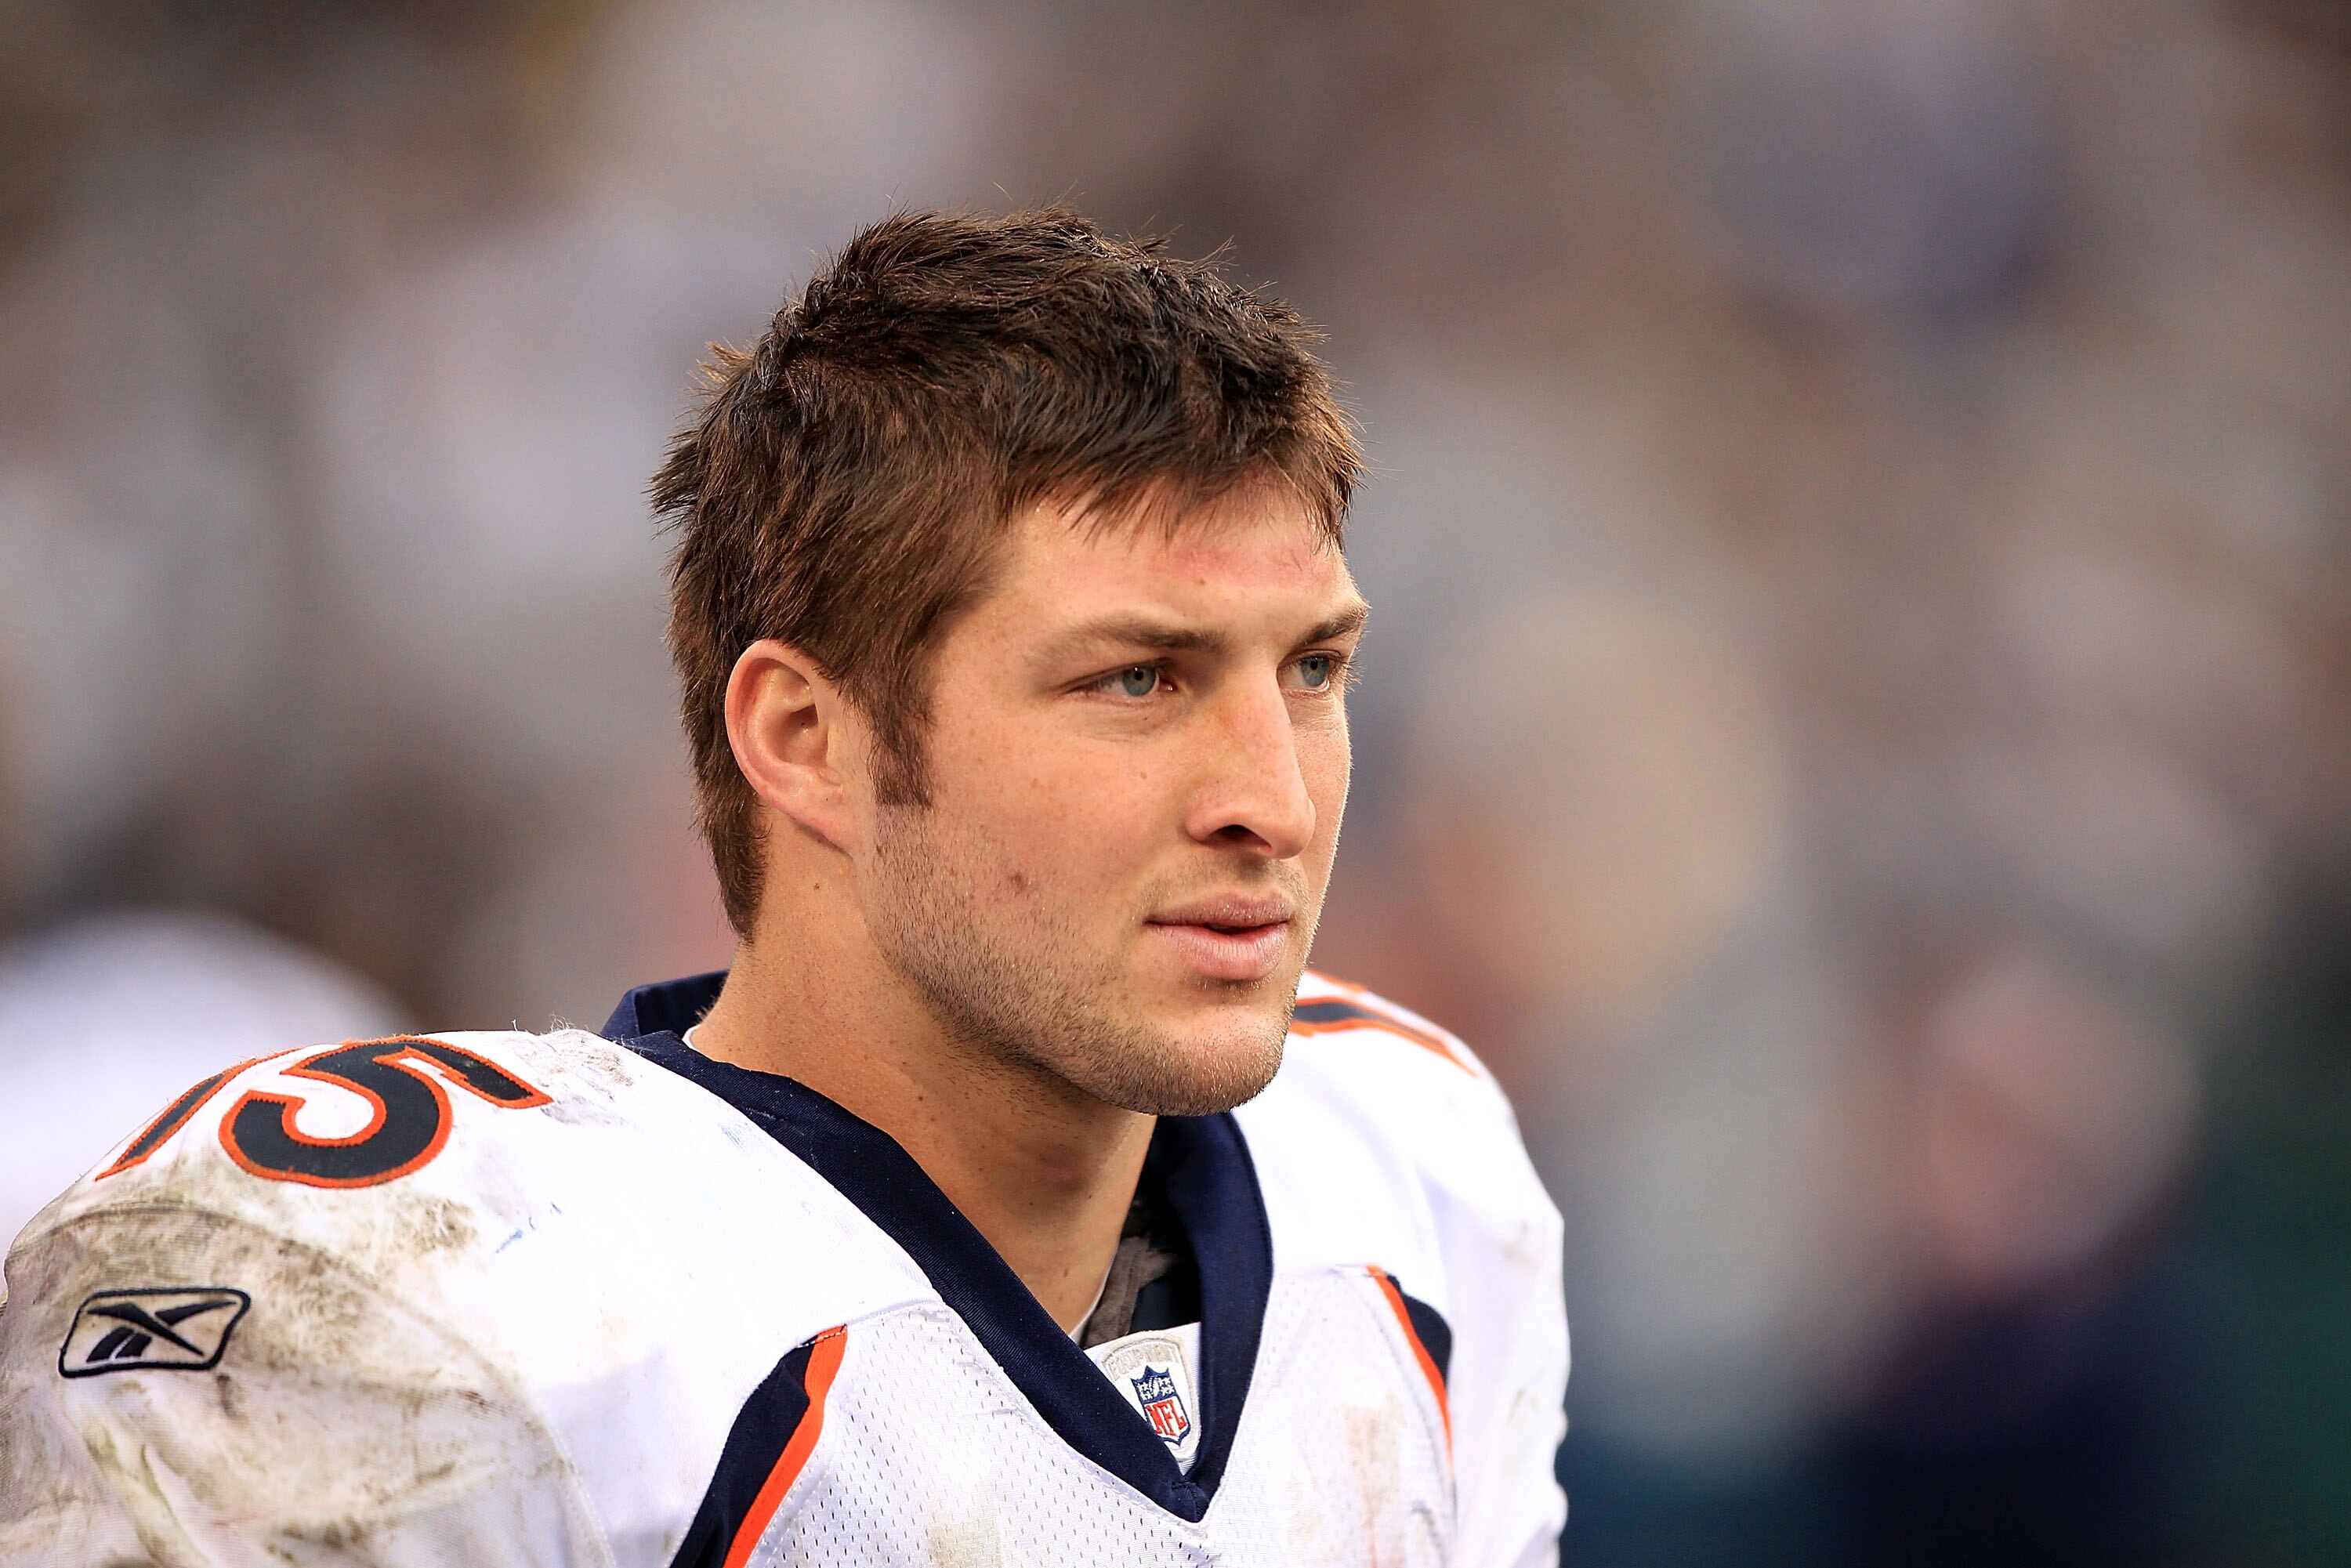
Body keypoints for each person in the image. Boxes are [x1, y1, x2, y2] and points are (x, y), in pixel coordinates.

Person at [0, 208, 1567, 1566]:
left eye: (1311, 669)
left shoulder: (1407, 1169)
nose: (1274, 802)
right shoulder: (422, 1295)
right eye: (1138, 678)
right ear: (806, 737)